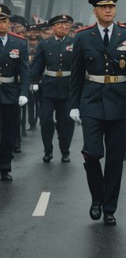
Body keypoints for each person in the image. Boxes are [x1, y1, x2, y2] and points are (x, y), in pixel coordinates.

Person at [68, 0, 126, 225]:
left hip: (119, 101)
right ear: (95, 10)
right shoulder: (83, 37)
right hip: (91, 100)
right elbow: (76, 74)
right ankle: (97, 197)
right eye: (103, 7)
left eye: (111, 6)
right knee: (91, 153)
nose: (108, 10)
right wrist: (74, 105)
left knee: (114, 159)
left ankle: (109, 208)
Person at [30, 14, 76, 163]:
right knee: (46, 120)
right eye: (60, 24)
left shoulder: (75, 43)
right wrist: (33, 82)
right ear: (53, 27)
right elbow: (37, 66)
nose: (64, 27)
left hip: (68, 87)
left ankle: (65, 151)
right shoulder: (45, 44)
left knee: (66, 122)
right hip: (48, 88)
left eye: (66, 24)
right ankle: (48, 151)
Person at [0, 3, 30, 181]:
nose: (1, 24)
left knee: (8, 132)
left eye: (4, 20)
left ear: (9, 22)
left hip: (10, 92)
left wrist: (24, 92)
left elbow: (24, 70)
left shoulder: (19, 42)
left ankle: (5, 166)